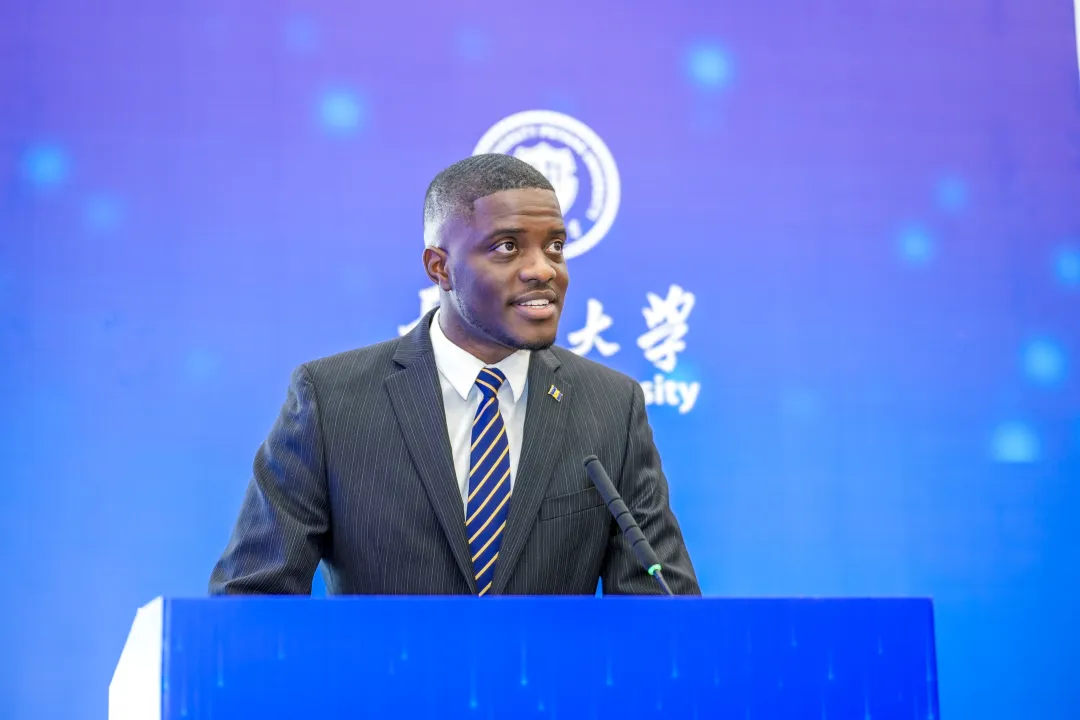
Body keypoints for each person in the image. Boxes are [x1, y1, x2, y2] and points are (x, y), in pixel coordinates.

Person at [209, 154, 699, 596]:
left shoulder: (612, 405)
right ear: (439, 267)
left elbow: (663, 610)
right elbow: (252, 600)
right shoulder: (331, 400)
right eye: (507, 247)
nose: (543, 270)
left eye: (554, 246)